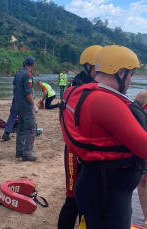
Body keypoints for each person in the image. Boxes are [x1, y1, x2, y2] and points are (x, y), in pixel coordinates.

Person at [59, 45, 147, 229]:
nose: (131, 80)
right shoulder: (103, 100)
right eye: (131, 75)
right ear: (120, 72)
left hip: (99, 186)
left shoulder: (85, 93)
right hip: (107, 195)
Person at [57, 45, 103, 229]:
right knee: (73, 199)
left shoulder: (93, 85)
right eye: (98, 68)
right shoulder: (78, 87)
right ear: (89, 67)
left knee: (88, 197)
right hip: (75, 151)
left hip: (88, 149)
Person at [14, 56, 38, 161]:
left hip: (18, 104)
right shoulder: (28, 75)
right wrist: (34, 104)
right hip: (26, 106)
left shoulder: (18, 74)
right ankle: (27, 153)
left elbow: (14, 88)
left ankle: (19, 150)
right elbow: (28, 93)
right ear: (33, 65)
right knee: (32, 128)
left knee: (21, 128)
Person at [135, 91, 147, 227]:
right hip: (143, 144)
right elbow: (132, 117)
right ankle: (146, 217)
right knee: (143, 180)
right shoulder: (143, 96)